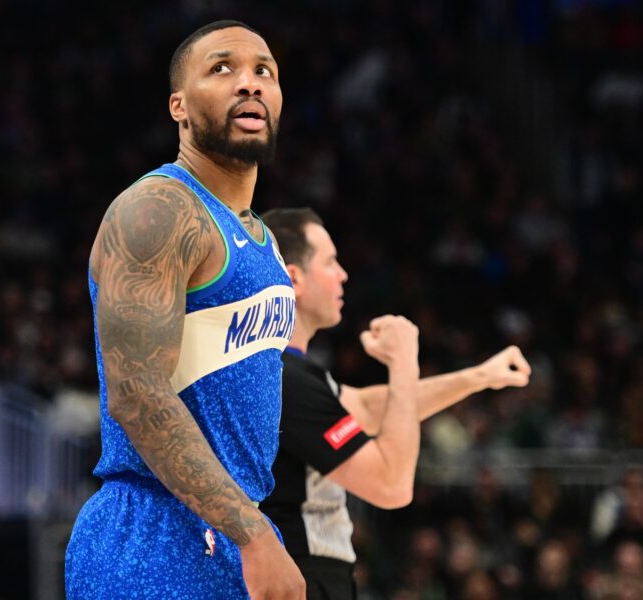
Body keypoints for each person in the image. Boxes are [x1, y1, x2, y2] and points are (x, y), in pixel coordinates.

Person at [65, 21, 305, 599]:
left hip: (228, 523)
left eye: (262, 71)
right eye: (222, 69)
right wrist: (252, 532)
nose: (248, 83)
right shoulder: (159, 208)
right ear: (178, 106)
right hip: (153, 526)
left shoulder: (262, 238)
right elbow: (137, 391)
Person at [259, 208, 532, 599]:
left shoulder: (286, 372)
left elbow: (369, 408)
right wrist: (403, 360)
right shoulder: (287, 378)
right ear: (293, 278)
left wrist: (478, 378)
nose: (343, 274)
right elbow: (392, 485)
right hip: (304, 573)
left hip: (308, 574)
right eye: (331, 262)